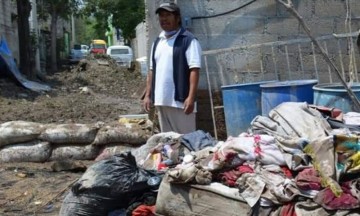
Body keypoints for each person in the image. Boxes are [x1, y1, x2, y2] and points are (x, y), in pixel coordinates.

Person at [143, 2, 202, 134]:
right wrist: (148, 95)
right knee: (168, 144)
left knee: (186, 140)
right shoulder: (158, 41)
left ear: (178, 18)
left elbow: (194, 70)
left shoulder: (188, 40)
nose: (164, 19)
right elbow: (152, 70)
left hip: (181, 102)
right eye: (161, 16)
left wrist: (191, 98)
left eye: (168, 15)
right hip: (161, 100)